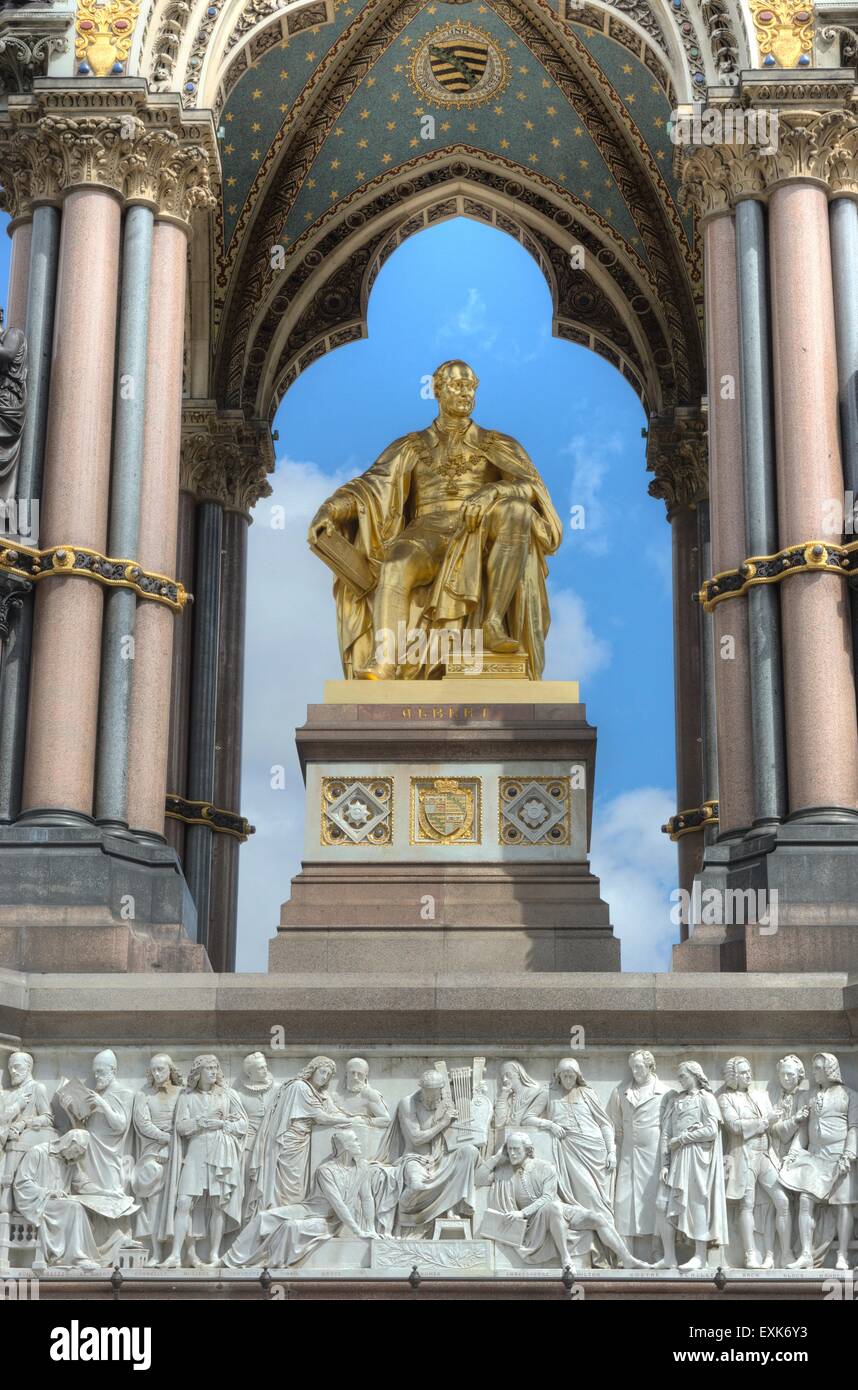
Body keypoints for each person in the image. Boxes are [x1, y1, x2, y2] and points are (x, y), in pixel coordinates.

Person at [307, 359, 562, 679]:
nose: (465, 393)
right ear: (437, 391)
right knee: (397, 565)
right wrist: (329, 512)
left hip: (479, 529)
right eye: (457, 386)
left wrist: (494, 491)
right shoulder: (410, 446)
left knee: (517, 510)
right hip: (425, 531)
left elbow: (532, 488)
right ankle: (386, 658)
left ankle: (493, 622)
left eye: (471, 387)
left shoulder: (498, 444)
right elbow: (369, 488)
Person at [477, 1132, 647, 1268]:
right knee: (553, 1208)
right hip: (533, 1221)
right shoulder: (504, 1172)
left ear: (528, 1150)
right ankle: (566, 1259)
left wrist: (521, 1212)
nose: (512, 1153)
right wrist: (496, 1158)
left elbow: (547, 1197)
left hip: (553, 1209)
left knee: (597, 1218)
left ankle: (627, 1259)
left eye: (517, 1149)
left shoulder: (545, 1167)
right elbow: (478, 1179)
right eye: (510, 1149)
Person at [225, 1129, 379, 1269]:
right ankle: (228, 1261)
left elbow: (367, 1198)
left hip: (330, 1220)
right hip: (311, 1209)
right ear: (345, 1146)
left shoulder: (362, 1168)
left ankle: (266, 1262)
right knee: (263, 1217)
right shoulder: (326, 1171)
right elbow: (337, 1203)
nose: (359, 1144)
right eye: (355, 1141)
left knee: (291, 1226)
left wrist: (370, 1229)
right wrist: (357, 1230)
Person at [160, 1054, 247, 1267]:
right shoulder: (187, 1096)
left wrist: (222, 1124)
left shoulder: (228, 1095)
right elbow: (180, 1127)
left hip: (221, 1152)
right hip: (196, 1151)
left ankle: (214, 1254)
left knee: (218, 1204)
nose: (213, 1071)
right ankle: (174, 1255)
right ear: (197, 1073)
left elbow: (243, 1124)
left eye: (215, 1067)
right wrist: (201, 1122)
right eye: (208, 1068)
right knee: (183, 1202)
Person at [375, 1067, 479, 1232]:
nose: (430, 1096)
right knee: (416, 1185)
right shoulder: (408, 1104)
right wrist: (444, 1123)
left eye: (434, 1092)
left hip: (442, 1157)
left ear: (441, 1089)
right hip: (415, 1157)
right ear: (420, 1088)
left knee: (470, 1151)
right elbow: (416, 1138)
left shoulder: (446, 1104)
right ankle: (402, 1213)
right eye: (427, 1091)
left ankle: (451, 1206)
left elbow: (454, 1138)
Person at [782, 1052, 858, 1271]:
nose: (814, 1072)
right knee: (805, 1201)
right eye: (814, 1067)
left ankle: (842, 1254)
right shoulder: (810, 1096)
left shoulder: (849, 1095)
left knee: (843, 1205)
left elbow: (854, 1128)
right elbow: (804, 1130)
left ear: (829, 1070)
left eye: (817, 1068)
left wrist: (849, 1155)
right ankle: (806, 1253)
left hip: (840, 1157)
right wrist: (795, 1152)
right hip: (814, 1157)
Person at [248, 1056, 353, 1214]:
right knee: (291, 1185)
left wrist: (354, 1118)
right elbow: (320, 1117)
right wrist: (343, 1120)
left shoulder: (318, 1092)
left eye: (328, 1075)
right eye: (322, 1072)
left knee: (299, 1185)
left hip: (303, 1142)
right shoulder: (300, 1087)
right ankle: (281, 1217)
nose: (324, 1077)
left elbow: (332, 1111)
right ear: (313, 1070)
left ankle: (288, 1217)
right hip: (290, 1142)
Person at [718, 1056, 791, 1268]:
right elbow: (734, 1126)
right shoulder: (725, 1098)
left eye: (749, 1071)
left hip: (765, 1154)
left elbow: (772, 1125)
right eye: (743, 1072)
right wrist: (765, 1121)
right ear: (733, 1076)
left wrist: (783, 1117)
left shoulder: (760, 1095)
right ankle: (750, 1254)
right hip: (743, 1156)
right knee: (746, 1204)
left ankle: (783, 1254)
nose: (748, 1075)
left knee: (783, 1201)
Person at [655, 1061, 728, 1270]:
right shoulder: (676, 1101)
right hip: (677, 1158)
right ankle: (669, 1256)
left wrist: (684, 1138)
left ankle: (700, 1256)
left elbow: (711, 1130)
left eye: (682, 1076)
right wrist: (665, 1163)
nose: (680, 1080)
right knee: (662, 1203)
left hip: (698, 1156)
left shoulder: (706, 1098)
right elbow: (666, 1134)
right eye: (678, 1077)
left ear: (695, 1075)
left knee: (697, 1204)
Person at [14, 1131, 119, 1270]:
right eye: (76, 1150)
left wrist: (107, 1193)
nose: (76, 1156)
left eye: (79, 1153)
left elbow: (83, 1184)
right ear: (68, 1142)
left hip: (59, 1204)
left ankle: (73, 1255)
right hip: (36, 1201)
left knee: (79, 1207)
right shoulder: (38, 1152)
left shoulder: (70, 1162)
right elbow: (22, 1182)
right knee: (74, 1207)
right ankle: (77, 1257)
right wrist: (47, 1192)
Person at [607, 1049, 673, 1257]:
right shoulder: (620, 1092)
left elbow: (670, 1126)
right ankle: (624, 1252)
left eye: (639, 1067)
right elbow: (613, 1123)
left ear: (651, 1067)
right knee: (623, 1200)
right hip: (628, 1154)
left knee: (656, 1200)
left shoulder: (666, 1093)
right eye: (632, 1067)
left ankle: (657, 1249)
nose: (634, 1071)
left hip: (654, 1155)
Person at [131, 1053, 183, 1263]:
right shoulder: (143, 1094)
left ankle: (180, 1253)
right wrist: (166, 1139)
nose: (157, 1073)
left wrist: (172, 1144)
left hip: (180, 1150)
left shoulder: (182, 1093)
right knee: (154, 1201)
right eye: (153, 1069)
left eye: (161, 1069)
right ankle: (156, 1251)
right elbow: (142, 1122)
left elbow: (186, 1120)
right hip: (152, 1149)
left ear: (171, 1070)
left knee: (183, 1201)